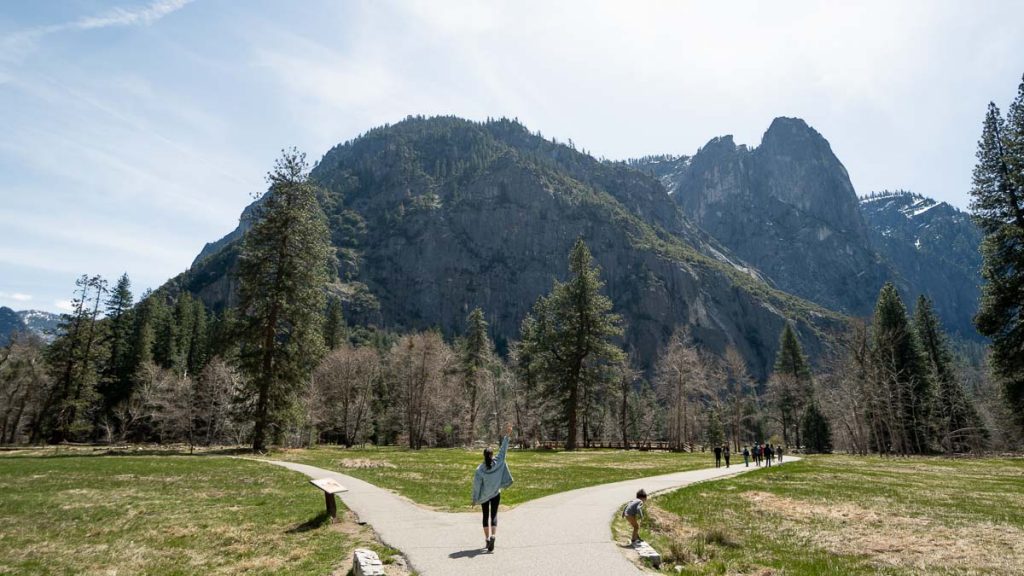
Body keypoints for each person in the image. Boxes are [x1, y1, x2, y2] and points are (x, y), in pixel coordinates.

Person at [472, 422, 514, 552]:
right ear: (492, 454)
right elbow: (504, 449)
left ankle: (487, 539)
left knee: (485, 516)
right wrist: (507, 434)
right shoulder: (499, 461)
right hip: (496, 493)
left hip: (484, 496)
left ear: (484, 456)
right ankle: (494, 535)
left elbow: (477, 485)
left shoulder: (479, 469)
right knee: (494, 515)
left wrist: (474, 499)